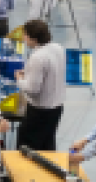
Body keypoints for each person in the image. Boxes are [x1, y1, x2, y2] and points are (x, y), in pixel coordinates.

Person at [15, 20, 66, 151]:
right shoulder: (57, 48)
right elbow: (50, 70)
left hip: (40, 111)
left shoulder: (38, 57)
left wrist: (20, 79)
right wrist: (29, 72)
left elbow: (33, 90)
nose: (24, 38)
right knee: (47, 144)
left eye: (25, 35)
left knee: (27, 146)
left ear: (34, 38)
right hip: (57, 108)